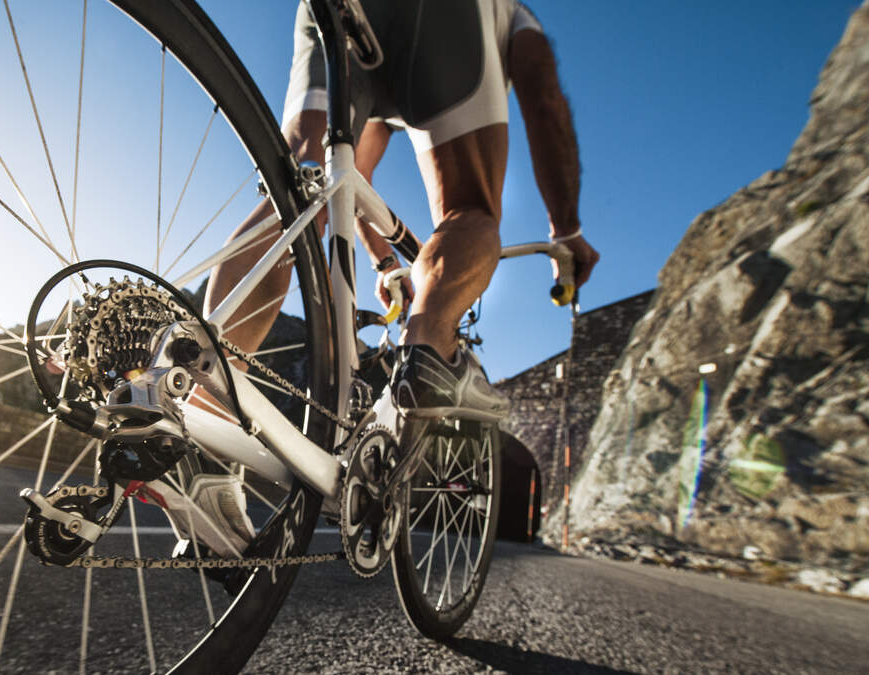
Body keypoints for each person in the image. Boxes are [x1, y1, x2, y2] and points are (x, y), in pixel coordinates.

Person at [203, 0, 598, 419]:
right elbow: (545, 102)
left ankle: (197, 404)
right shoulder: (518, 15)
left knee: (301, 191)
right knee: (468, 209)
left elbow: (352, 177)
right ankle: (425, 353)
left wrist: (386, 262)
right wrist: (566, 229)